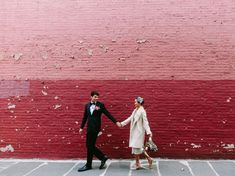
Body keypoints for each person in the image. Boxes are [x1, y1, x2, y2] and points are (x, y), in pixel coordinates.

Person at [78, 91, 121, 172]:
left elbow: (108, 114)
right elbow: (85, 117)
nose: (96, 98)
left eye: (97, 97)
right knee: (90, 146)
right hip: (89, 128)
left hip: (95, 128)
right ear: (91, 97)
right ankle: (101, 158)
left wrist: (116, 122)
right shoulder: (87, 105)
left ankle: (90, 164)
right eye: (95, 96)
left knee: (89, 145)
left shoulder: (100, 105)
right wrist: (81, 127)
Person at [120, 96, 153, 169]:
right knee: (136, 148)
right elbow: (130, 118)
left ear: (139, 103)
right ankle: (144, 161)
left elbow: (145, 122)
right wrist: (122, 124)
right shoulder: (135, 110)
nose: (134, 103)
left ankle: (142, 161)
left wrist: (149, 132)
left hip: (139, 132)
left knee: (137, 147)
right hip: (134, 132)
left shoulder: (142, 111)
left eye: (135, 102)